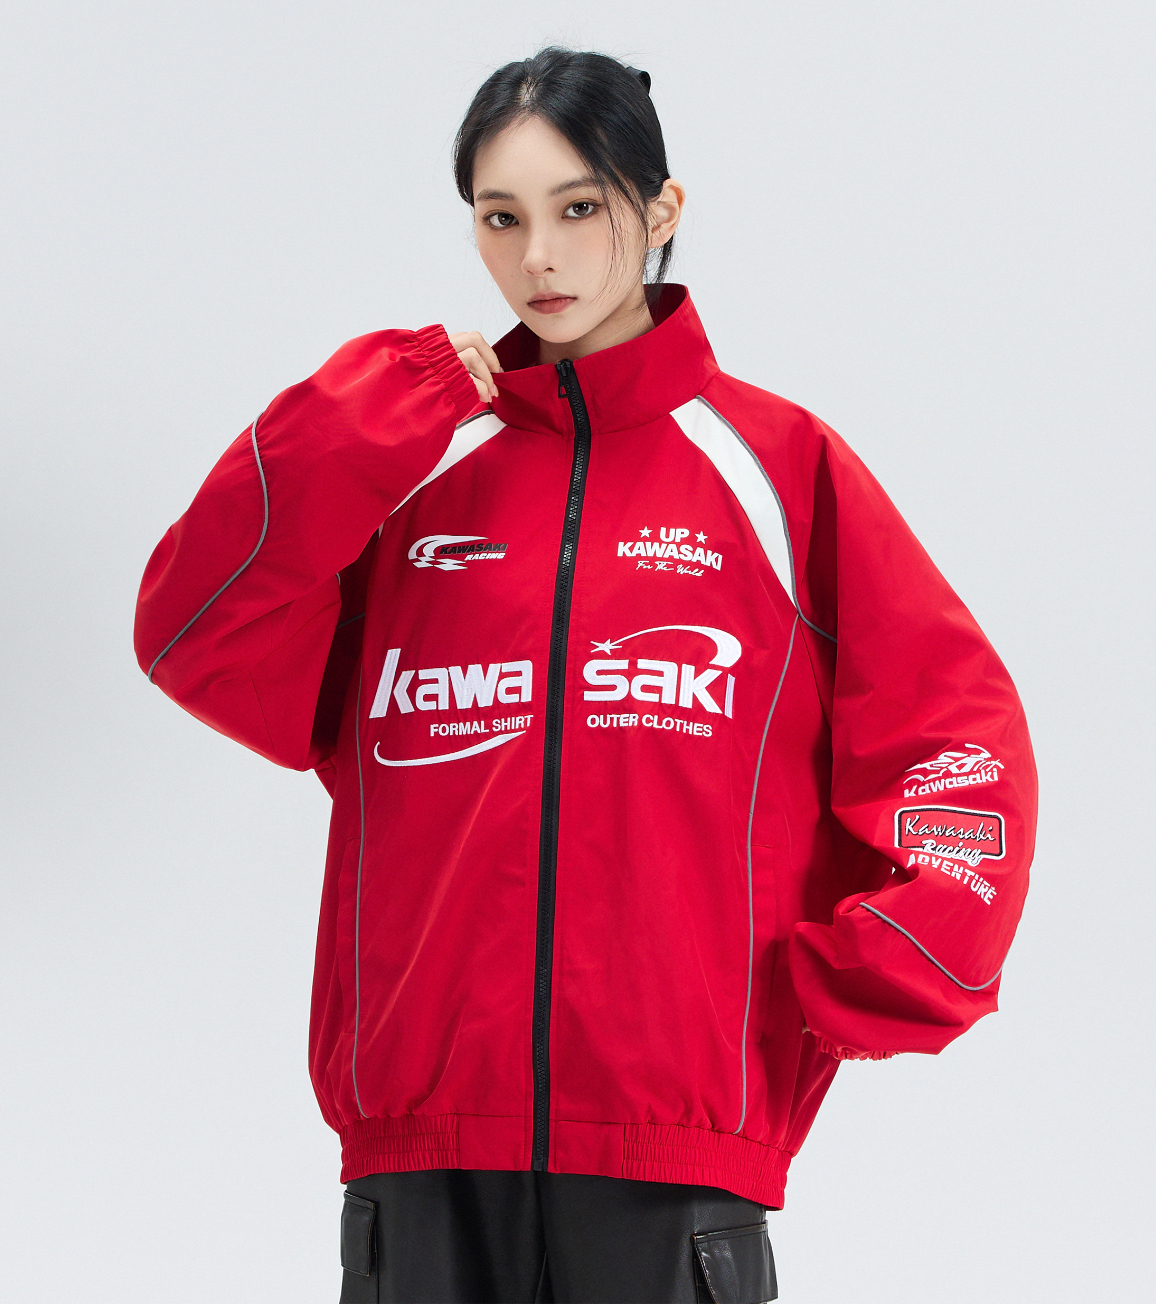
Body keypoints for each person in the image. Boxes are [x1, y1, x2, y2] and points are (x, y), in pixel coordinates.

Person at [133, 46, 1037, 1304]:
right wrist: (369, 412)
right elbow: (196, 629)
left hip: (673, 1159)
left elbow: (953, 736)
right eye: (500, 218)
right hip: (421, 1158)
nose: (539, 259)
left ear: (660, 210)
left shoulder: (778, 471)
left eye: (578, 208)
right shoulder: (415, 468)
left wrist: (899, 953)